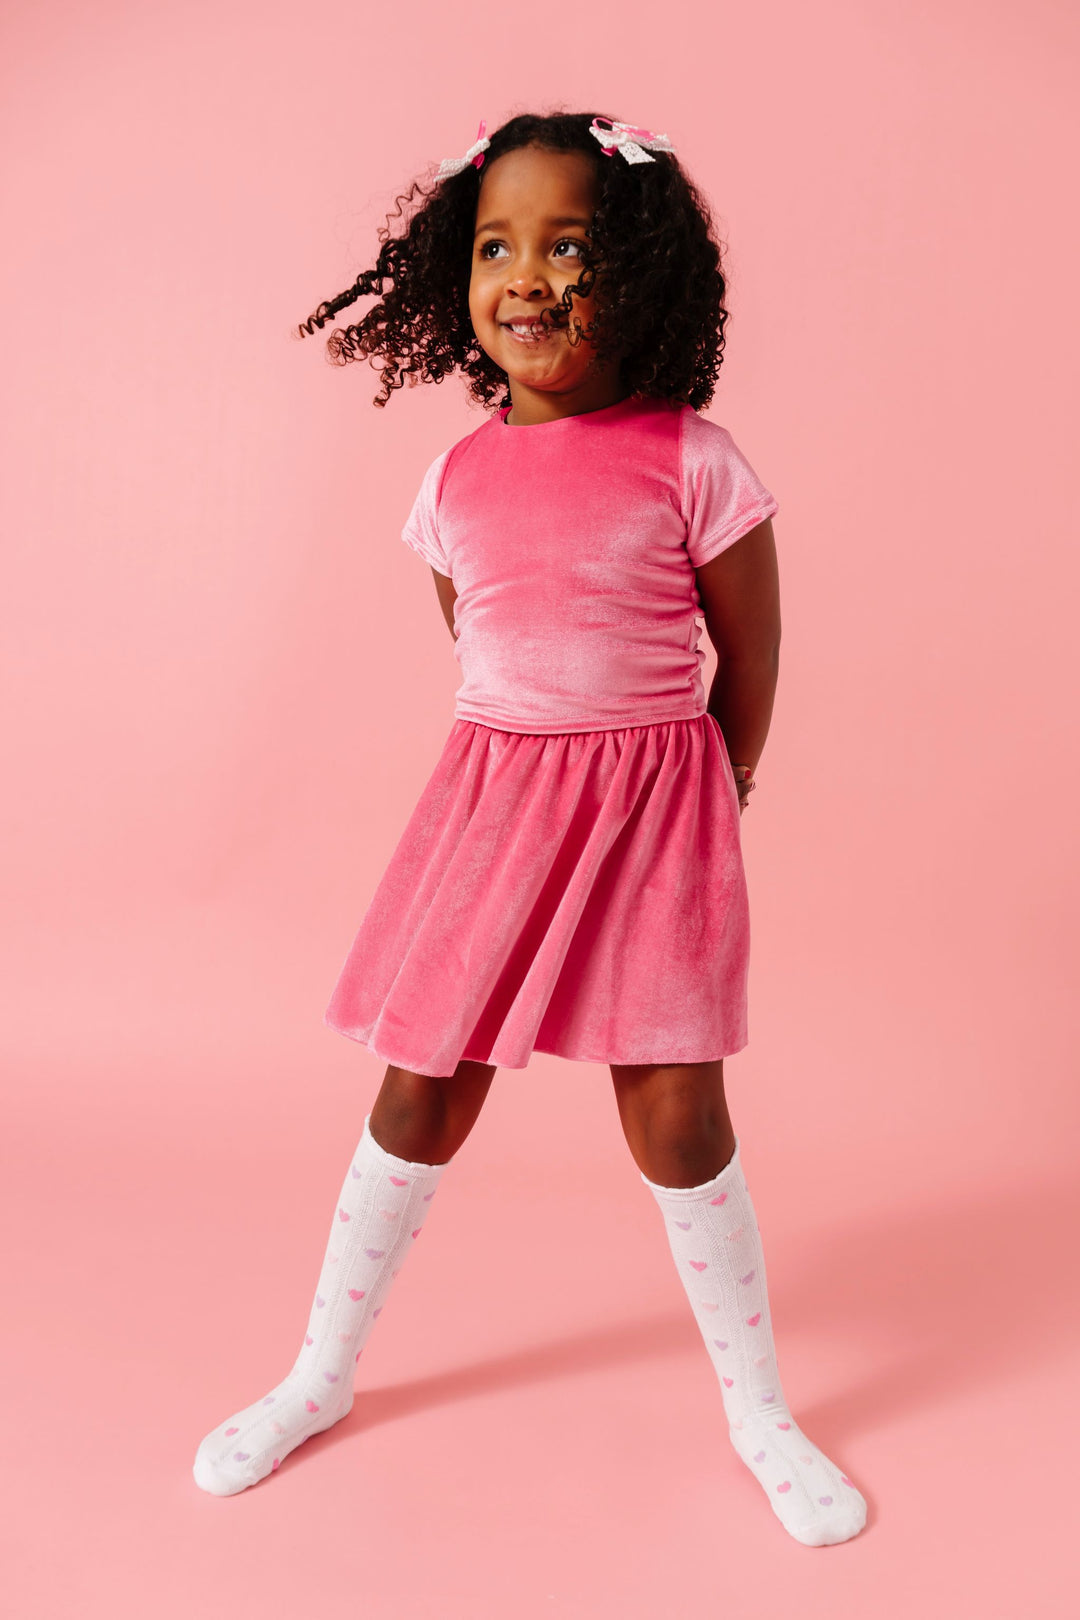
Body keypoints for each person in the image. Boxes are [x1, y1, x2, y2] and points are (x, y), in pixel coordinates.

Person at [192, 110, 867, 1548]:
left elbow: (749, 656)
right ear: (460, 279)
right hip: (492, 817)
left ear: (641, 270)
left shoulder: (694, 459)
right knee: (418, 1092)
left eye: (570, 245)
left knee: (678, 1113)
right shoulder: (453, 479)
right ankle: (320, 1372)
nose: (529, 277)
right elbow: (484, 647)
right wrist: (539, 768)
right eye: (497, 247)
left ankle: (758, 1410)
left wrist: (715, 798)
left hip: (660, 821)